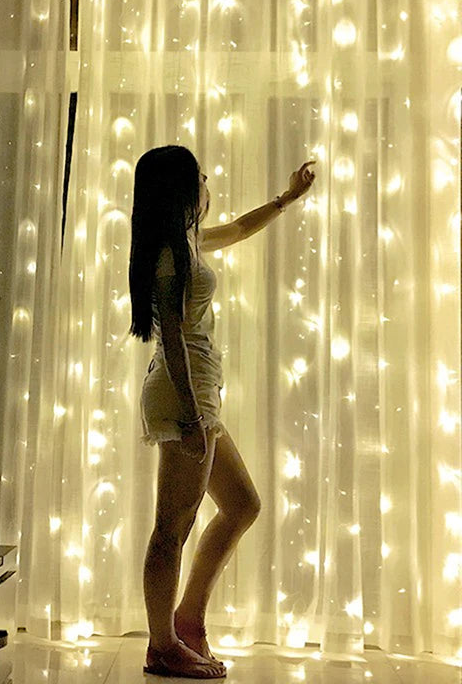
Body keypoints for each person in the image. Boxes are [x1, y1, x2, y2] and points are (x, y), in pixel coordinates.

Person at [128, 145, 316, 678]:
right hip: (183, 395)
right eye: (201, 178)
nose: (207, 185)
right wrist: (191, 418)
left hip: (199, 395)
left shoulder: (185, 241)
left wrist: (286, 199)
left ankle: (188, 621)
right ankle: (162, 646)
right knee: (172, 528)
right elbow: (173, 341)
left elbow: (235, 229)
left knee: (242, 505)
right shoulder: (168, 256)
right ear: (180, 189)